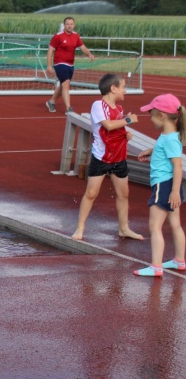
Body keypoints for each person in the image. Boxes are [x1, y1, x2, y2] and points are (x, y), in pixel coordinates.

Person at [72, 73, 143, 241]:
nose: (125, 90)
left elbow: (116, 129)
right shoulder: (98, 105)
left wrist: (125, 134)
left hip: (119, 157)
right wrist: (128, 120)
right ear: (113, 88)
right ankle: (80, 228)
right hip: (102, 158)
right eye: (123, 87)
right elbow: (108, 125)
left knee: (123, 194)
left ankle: (124, 228)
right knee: (91, 193)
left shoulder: (119, 109)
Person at [134, 94, 186, 277]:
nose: (150, 119)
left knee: (154, 226)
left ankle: (156, 266)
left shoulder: (169, 139)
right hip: (169, 186)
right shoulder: (168, 136)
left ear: (162, 116)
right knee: (175, 224)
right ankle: (179, 260)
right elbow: (165, 155)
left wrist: (174, 192)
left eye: (151, 115)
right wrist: (152, 152)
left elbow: (177, 166)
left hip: (164, 186)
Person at [45, 17, 95, 114]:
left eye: (71, 24)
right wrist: (49, 65)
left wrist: (89, 54)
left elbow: (82, 47)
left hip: (70, 64)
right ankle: (68, 108)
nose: (69, 26)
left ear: (74, 25)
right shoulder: (58, 36)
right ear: (64, 25)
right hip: (60, 63)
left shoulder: (76, 36)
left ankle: (51, 102)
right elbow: (50, 50)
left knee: (63, 85)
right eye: (67, 24)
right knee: (66, 84)